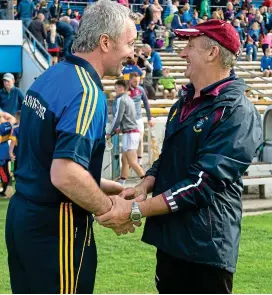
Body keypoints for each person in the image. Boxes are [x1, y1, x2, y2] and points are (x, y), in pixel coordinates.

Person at [96, 19, 263, 294]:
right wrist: (143, 185)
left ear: (212, 53)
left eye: (190, 46)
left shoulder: (237, 111)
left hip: (205, 249)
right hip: (171, 241)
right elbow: (168, 158)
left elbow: (202, 183)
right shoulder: (184, 102)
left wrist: (135, 211)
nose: (182, 53)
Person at [5, 1, 139, 293]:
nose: (132, 53)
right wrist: (110, 210)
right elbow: (64, 174)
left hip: (22, 216)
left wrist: (106, 186)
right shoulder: (87, 92)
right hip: (57, 225)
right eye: (129, 43)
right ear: (105, 42)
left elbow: (46, 159)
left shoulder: (51, 76)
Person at [108, 80, 145, 184]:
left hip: (130, 134)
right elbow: (128, 117)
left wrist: (109, 133)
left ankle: (147, 183)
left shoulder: (121, 99)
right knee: (124, 160)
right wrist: (121, 128)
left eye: (116, 88)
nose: (115, 90)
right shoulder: (129, 99)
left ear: (121, 88)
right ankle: (121, 183)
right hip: (131, 132)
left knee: (132, 162)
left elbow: (117, 118)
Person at [128, 72, 154, 166]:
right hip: (128, 120)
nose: (137, 83)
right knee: (131, 141)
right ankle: (132, 161)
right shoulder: (126, 90)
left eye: (138, 81)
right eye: (135, 81)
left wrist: (149, 118)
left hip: (138, 118)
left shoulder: (141, 89)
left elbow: (146, 104)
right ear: (130, 80)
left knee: (140, 139)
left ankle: (139, 161)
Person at [0, 108, 15, 198]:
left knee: (2, 172)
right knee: (5, 172)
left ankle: (5, 190)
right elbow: (12, 118)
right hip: (6, 150)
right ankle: (5, 189)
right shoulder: (7, 125)